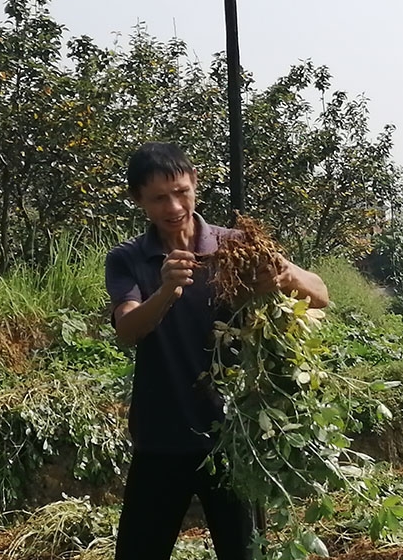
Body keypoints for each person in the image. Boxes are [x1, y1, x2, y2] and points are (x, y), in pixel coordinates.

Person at [105, 142, 329, 560]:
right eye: (159, 198)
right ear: (139, 201)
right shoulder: (129, 259)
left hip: (232, 437)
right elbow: (127, 329)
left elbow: (320, 295)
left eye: (182, 191)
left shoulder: (236, 246)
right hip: (160, 437)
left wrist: (285, 276)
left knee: (244, 554)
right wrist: (167, 289)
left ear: (195, 186)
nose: (174, 206)